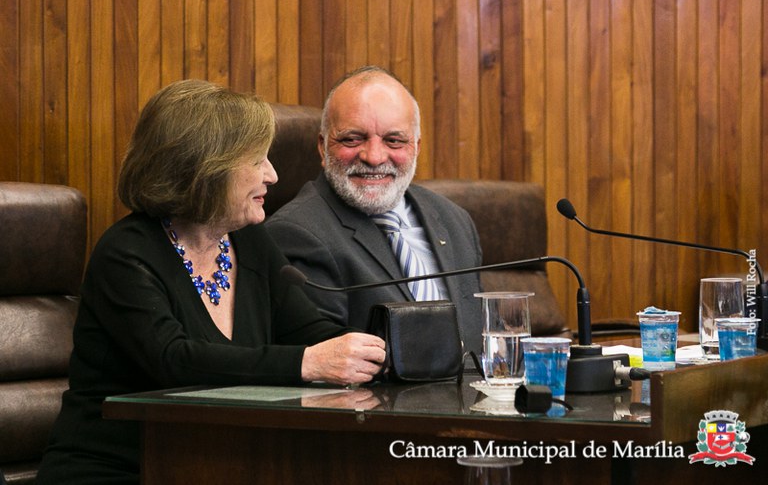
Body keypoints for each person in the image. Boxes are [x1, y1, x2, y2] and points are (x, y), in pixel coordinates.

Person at [36, 79, 386, 485]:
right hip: (117, 469)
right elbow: (174, 361)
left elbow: (313, 333)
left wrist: (374, 351)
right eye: (257, 160)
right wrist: (305, 363)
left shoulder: (250, 241)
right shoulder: (126, 253)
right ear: (206, 169)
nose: (273, 175)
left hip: (218, 463)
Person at [265, 66, 483, 354]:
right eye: (352, 139)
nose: (374, 157)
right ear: (322, 147)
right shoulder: (296, 233)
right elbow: (325, 362)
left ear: (416, 147)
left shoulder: (455, 219)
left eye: (394, 140)